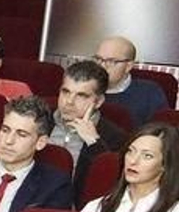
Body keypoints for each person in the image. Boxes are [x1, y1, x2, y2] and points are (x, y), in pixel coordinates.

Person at [51, 59, 128, 197]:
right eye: (65, 92)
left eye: (81, 95)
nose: (69, 101)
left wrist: (94, 142)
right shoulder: (41, 121)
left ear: (98, 102)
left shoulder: (114, 137)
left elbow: (110, 185)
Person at [95, 35, 170, 126]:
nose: (102, 66)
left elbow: (161, 131)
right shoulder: (85, 87)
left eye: (111, 61)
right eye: (98, 59)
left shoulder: (149, 92)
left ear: (128, 66)